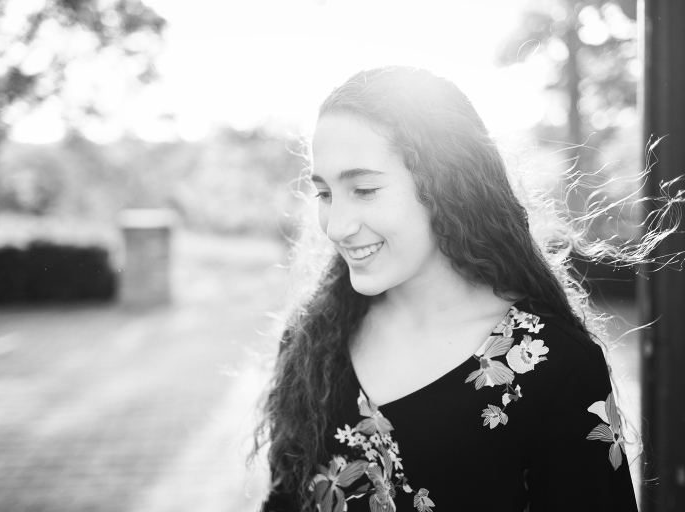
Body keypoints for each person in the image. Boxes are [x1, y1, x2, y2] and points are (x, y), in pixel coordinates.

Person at [254, 66, 640, 512]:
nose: (337, 227)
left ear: (447, 185)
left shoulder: (557, 367)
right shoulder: (311, 341)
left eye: (364, 189)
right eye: (324, 194)